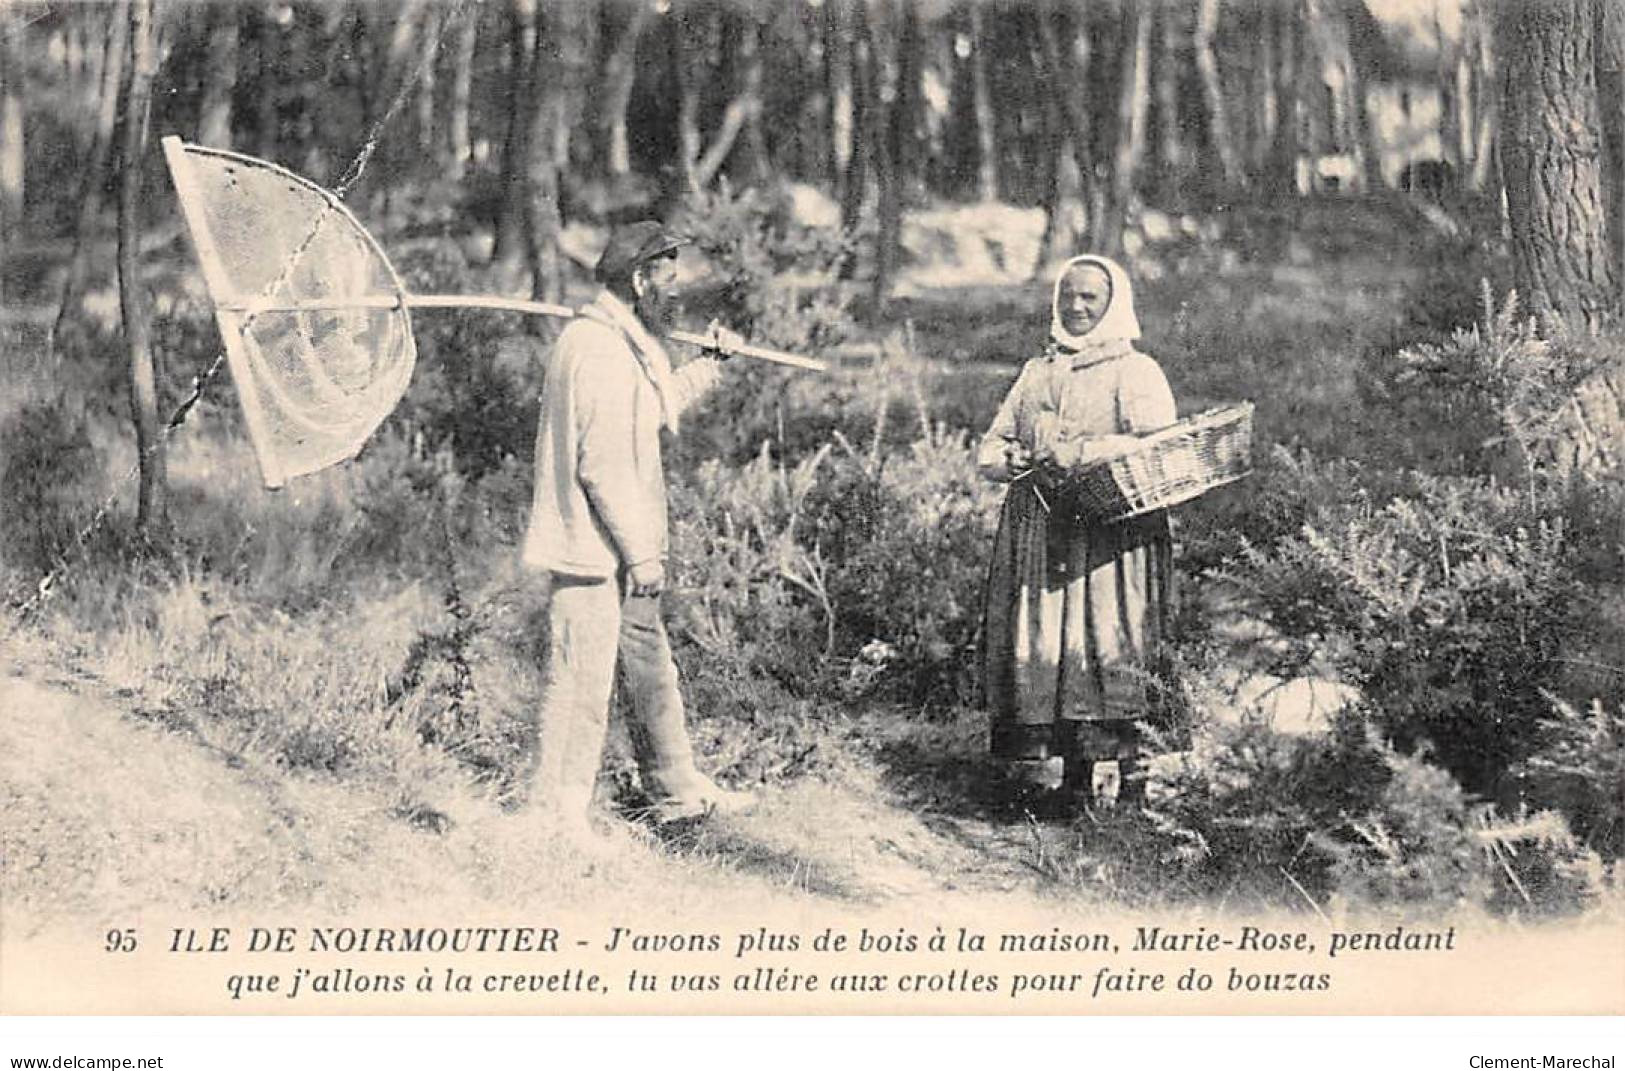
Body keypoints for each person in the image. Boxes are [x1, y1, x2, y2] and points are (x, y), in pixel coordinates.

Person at [522, 220, 753, 837]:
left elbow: (651, 409)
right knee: (580, 687)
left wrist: (708, 364)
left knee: (649, 666)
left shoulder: (622, 341)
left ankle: (676, 789)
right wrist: (642, 554)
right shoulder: (595, 348)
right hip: (593, 553)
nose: (675, 291)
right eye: (667, 278)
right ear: (639, 279)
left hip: (619, 551)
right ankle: (559, 819)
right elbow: (601, 466)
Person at [976, 254, 1177, 805]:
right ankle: (1053, 779)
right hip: (1040, 533)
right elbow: (990, 446)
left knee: (1103, 637)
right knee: (1047, 642)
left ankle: (1119, 778)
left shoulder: (1136, 371)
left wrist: (1083, 452)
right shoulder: (1039, 370)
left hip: (1109, 536)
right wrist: (1010, 458)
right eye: (1068, 294)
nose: (1077, 306)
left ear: (1114, 303)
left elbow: (1159, 446)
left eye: (1090, 297)